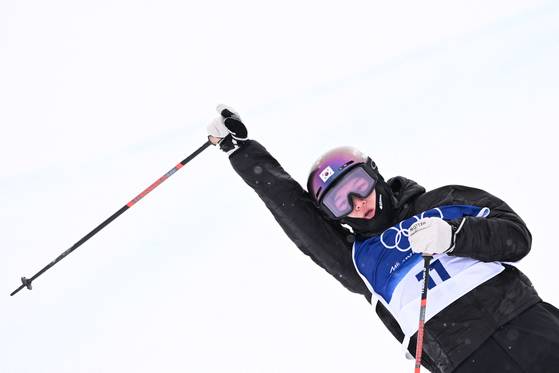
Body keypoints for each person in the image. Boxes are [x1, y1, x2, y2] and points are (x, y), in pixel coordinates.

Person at [206, 105, 559, 372]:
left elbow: (517, 237)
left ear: (374, 174)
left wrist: (454, 236)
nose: (358, 204)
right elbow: (297, 214)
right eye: (339, 201)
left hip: (532, 324)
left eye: (358, 186)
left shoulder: (442, 202)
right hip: (465, 361)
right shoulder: (358, 260)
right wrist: (241, 150)